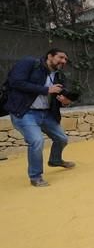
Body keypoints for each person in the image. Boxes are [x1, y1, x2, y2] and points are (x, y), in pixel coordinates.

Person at [5, 48, 76, 187]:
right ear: (50, 56)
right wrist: (46, 89)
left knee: (62, 139)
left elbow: (60, 96)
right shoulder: (30, 63)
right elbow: (16, 82)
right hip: (25, 112)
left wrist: (66, 102)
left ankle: (55, 160)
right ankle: (36, 176)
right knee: (37, 141)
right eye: (61, 57)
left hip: (46, 113)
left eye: (66, 59)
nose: (63, 61)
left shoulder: (59, 76)